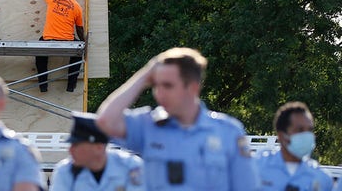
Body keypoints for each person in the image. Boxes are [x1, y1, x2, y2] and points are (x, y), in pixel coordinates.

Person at [96, 47, 260, 190]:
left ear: (193, 88)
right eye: (155, 86)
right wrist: (145, 75)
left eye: (168, 86)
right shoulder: (148, 125)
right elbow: (104, 121)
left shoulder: (228, 132)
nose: (159, 94)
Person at [50, 112, 144, 191]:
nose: (70, 150)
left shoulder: (130, 166)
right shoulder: (65, 171)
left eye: (77, 145)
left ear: (99, 147)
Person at [256, 102, 333, 191]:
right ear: (281, 136)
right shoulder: (257, 166)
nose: (306, 135)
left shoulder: (322, 178)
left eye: (310, 130)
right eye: (300, 130)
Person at [35, 0, 85, 92]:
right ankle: (71, 85)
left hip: (48, 39)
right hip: (67, 41)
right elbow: (79, 29)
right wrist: (83, 42)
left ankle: (43, 85)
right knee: (77, 54)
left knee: (40, 55)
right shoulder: (76, 6)